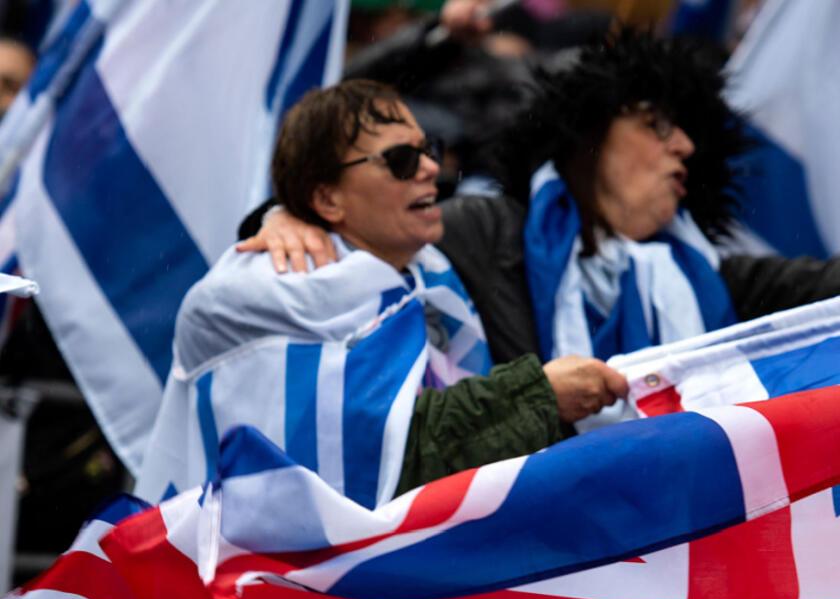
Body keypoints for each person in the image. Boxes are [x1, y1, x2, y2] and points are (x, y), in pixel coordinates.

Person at [134, 79, 627, 506]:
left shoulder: (432, 275)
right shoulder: (261, 294)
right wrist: (538, 396)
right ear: (327, 198)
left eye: (427, 149)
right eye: (401, 159)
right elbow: (370, 459)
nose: (430, 167)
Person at [240, 30, 840, 378]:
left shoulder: (704, 272)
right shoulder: (487, 232)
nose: (684, 145)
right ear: (588, 137)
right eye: (656, 125)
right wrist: (283, 217)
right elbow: (362, 219)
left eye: (686, 132)